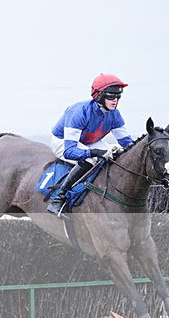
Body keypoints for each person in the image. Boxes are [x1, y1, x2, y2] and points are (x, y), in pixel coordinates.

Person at [47, 73, 134, 217]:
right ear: (99, 95)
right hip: (63, 141)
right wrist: (95, 153)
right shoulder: (78, 112)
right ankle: (58, 199)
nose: (115, 100)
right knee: (90, 160)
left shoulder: (115, 114)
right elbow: (70, 151)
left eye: (118, 97)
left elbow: (127, 143)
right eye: (110, 96)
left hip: (89, 142)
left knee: (116, 154)